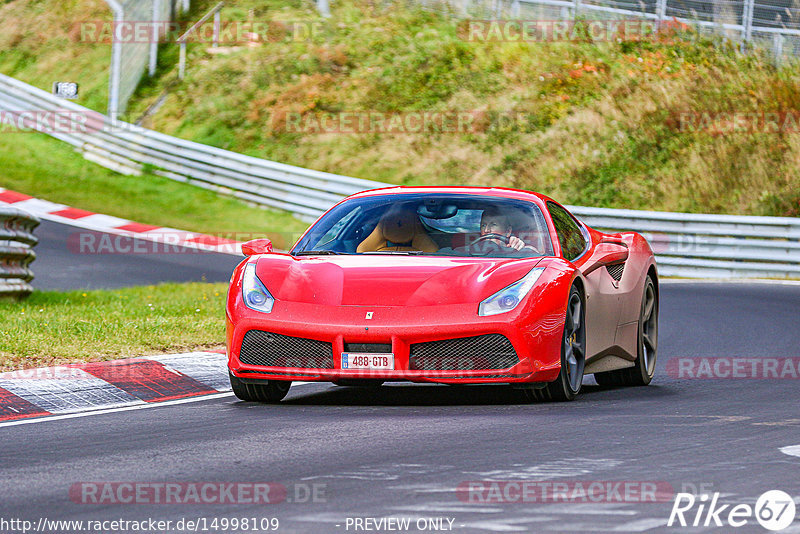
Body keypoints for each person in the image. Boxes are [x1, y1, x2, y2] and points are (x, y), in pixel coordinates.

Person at [474, 207, 539, 253]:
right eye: (483, 225)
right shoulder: (470, 250)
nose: (486, 230)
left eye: (493, 224)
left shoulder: (514, 249)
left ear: (508, 232)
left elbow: (537, 258)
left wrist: (522, 248)